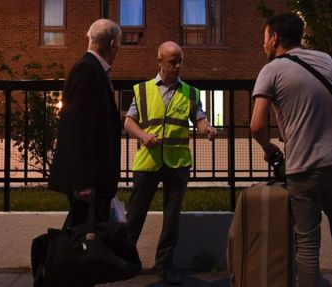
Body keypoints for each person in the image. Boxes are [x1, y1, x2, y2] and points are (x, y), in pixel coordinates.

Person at [250, 13, 332, 287]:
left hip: (304, 167)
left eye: (264, 38)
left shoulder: (272, 69)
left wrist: (268, 149)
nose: (263, 44)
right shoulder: (326, 60)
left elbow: (256, 126)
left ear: (275, 38)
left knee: (307, 243)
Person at [124, 41, 217, 285]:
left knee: (172, 216)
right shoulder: (142, 90)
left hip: (177, 162)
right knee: (135, 214)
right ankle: (124, 262)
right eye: (172, 62)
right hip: (148, 161)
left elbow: (198, 117)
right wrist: (143, 136)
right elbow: (128, 122)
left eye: (180, 61)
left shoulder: (190, 92)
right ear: (159, 62)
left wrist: (206, 128)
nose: (177, 66)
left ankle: (164, 265)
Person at [49, 19, 122, 225]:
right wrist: (83, 182)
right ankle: (55, 258)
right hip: (90, 180)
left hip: (92, 178)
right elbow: (79, 127)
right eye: (119, 46)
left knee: (83, 235)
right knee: (82, 237)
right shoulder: (89, 71)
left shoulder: (89, 69)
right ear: (113, 44)